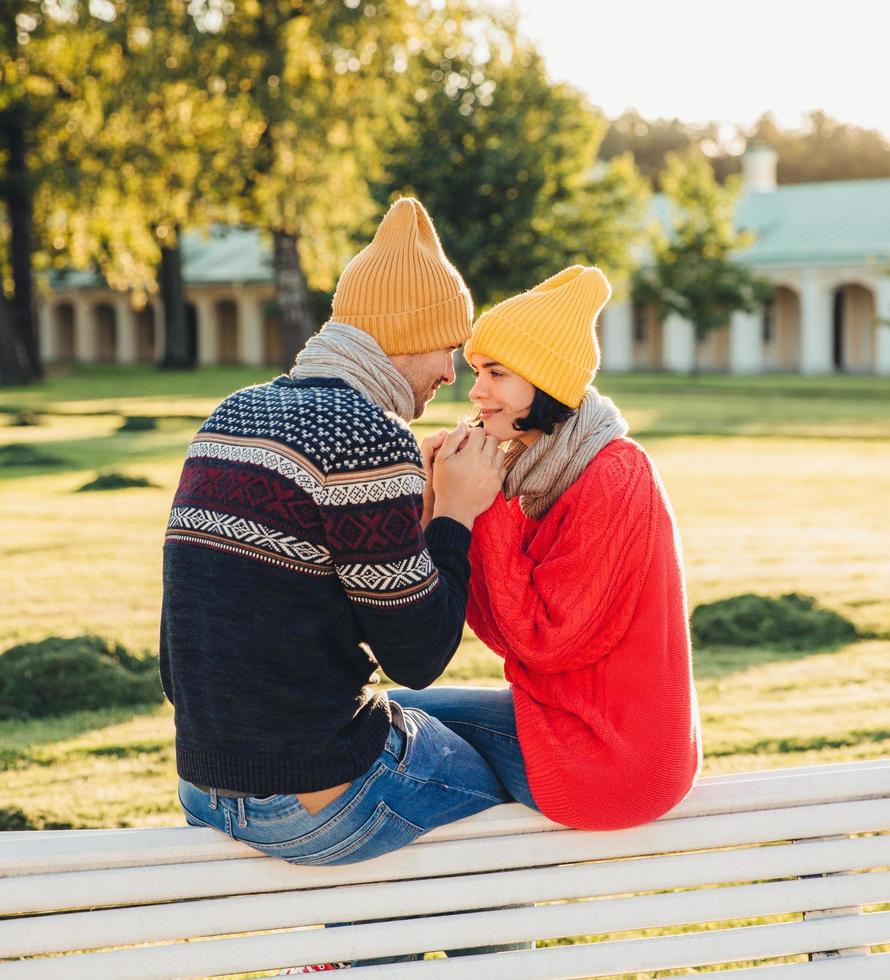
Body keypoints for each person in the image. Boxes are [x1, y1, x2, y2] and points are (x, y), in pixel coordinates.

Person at [162, 198, 511, 866]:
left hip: (205, 783)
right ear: (406, 337)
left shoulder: (234, 411)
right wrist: (455, 515)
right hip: (307, 794)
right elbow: (417, 658)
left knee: (421, 789)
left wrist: (421, 501)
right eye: (447, 347)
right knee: (502, 791)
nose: (450, 372)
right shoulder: (366, 436)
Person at [396, 265, 702, 832]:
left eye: (497, 374)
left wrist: (477, 504)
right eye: (476, 372)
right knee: (397, 722)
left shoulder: (612, 474)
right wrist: (440, 504)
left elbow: (543, 640)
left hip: (613, 760)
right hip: (584, 728)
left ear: (546, 382)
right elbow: (499, 626)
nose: (477, 391)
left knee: (389, 723)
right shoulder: (543, 476)